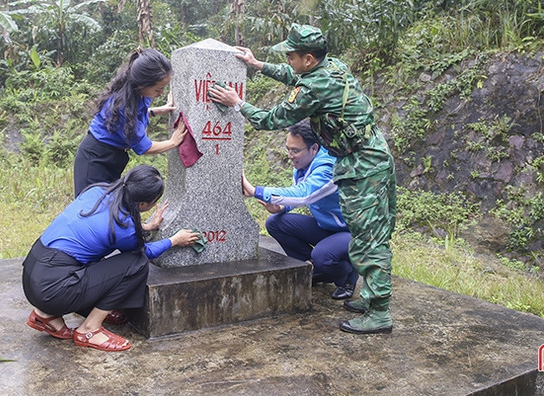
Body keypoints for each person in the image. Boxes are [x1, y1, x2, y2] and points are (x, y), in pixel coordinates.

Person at [209, 23, 397, 335]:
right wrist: (259, 65)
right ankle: (371, 297)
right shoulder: (332, 66)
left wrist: (237, 104)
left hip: (363, 166)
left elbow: (274, 119)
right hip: (371, 155)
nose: (290, 61)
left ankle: (379, 313)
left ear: (308, 59)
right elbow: (294, 76)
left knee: (368, 239)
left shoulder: (314, 87)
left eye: (292, 56)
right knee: (369, 235)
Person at [22, 165, 199, 351]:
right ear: (142, 205)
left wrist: (145, 227)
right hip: (53, 290)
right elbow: (144, 252)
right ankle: (89, 329)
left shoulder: (98, 190)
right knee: (136, 264)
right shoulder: (124, 227)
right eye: (155, 202)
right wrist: (174, 240)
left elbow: (103, 223)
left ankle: (45, 315)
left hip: (33, 276)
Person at [242, 119, 357, 300]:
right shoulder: (304, 164)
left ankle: (346, 273)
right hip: (327, 227)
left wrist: (256, 191)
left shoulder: (328, 167)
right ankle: (318, 269)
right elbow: (296, 196)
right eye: (288, 149)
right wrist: (280, 207)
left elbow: (305, 195)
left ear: (314, 149)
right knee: (276, 222)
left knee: (321, 255)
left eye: (295, 150)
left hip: (351, 232)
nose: (290, 155)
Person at [73, 48, 187, 198]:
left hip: (113, 156)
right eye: (158, 89)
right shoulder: (122, 105)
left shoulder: (138, 94)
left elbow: (137, 114)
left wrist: (157, 110)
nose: (161, 93)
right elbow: (144, 147)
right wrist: (173, 142)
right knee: (91, 206)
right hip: (96, 158)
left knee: (110, 203)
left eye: (164, 88)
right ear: (141, 84)